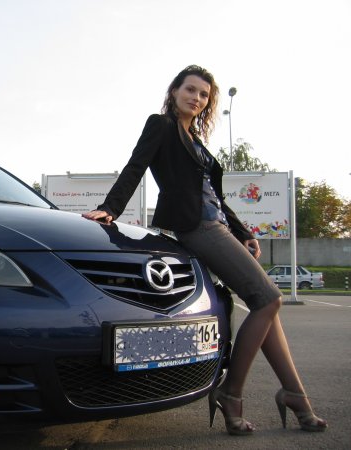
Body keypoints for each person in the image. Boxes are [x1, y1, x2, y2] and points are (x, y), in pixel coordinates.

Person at [82, 65, 327, 436]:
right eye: (190, 90)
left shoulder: (195, 138)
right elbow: (136, 166)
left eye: (203, 95)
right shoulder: (161, 125)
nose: (196, 98)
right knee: (269, 300)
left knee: (267, 306)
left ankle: (295, 396)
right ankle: (231, 393)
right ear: (175, 91)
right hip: (196, 226)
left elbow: (217, 197)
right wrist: (110, 208)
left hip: (218, 226)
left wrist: (243, 232)